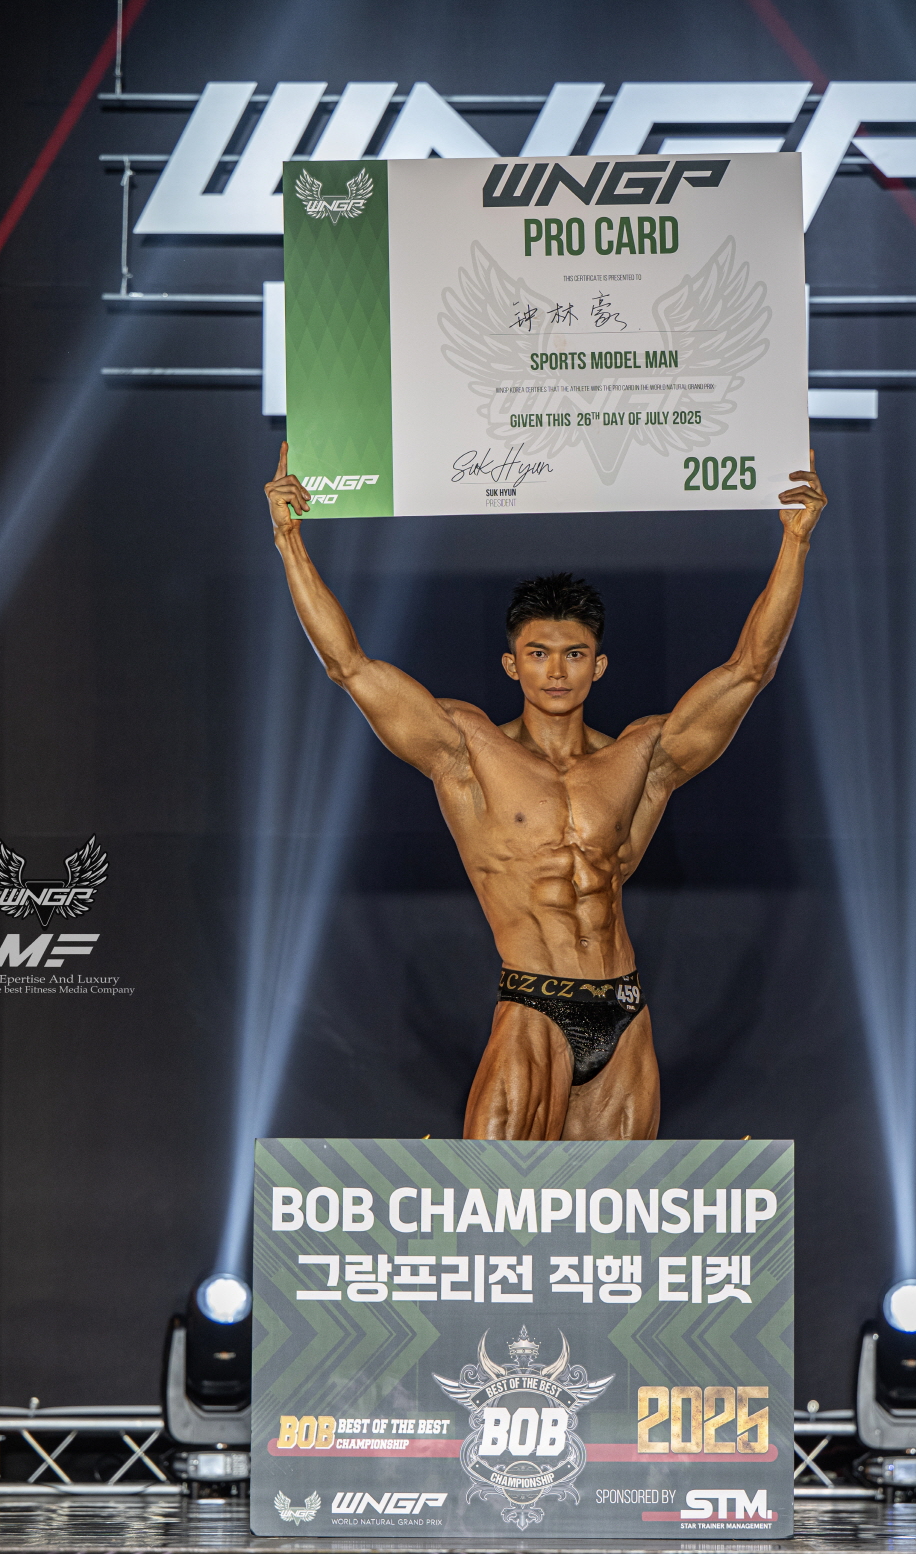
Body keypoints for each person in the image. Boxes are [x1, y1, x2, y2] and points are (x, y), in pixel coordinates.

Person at [264, 443, 827, 1140]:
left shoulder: (641, 756)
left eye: (573, 654)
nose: (556, 671)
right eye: (538, 654)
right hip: (534, 1005)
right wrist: (290, 541)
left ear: (598, 666)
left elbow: (750, 669)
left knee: (619, 1207)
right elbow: (349, 665)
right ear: (512, 665)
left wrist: (795, 542)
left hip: (624, 1008)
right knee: (496, 1197)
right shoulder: (468, 749)